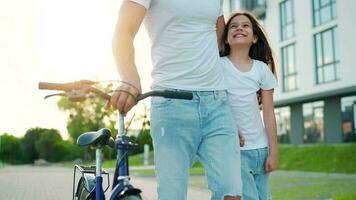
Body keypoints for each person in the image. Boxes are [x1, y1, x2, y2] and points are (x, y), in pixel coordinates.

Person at [108, 1, 242, 200]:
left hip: (217, 102)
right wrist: (130, 78)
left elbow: (220, 46)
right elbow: (123, 30)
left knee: (231, 193)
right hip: (171, 102)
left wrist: (233, 113)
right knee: (173, 195)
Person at [220, 12, 279, 200]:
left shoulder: (261, 69)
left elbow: (269, 114)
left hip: (260, 150)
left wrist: (273, 152)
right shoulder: (218, 66)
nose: (239, 28)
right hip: (236, 150)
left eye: (245, 26)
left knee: (265, 197)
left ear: (254, 38)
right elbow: (216, 105)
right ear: (227, 39)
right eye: (233, 26)